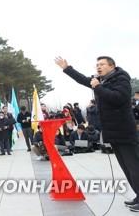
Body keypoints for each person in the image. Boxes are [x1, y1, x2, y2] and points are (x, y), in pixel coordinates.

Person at [55, 56, 139, 210]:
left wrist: (98, 87)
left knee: (134, 166)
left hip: (124, 130)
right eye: (97, 65)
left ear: (112, 66)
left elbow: (119, 98)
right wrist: (67, 69)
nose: (98, 67)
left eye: (102, 64)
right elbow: (83, 80)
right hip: (113, 132)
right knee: (126, 167)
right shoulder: (100, 80)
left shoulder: (121, 78)